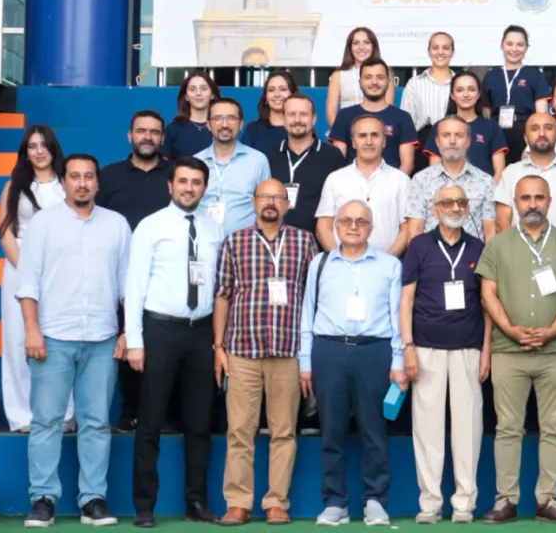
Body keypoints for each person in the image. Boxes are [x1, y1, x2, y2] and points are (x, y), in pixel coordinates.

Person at [17, 154, 131, 529]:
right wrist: (31, 330)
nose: (82, 183)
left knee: (96, 423)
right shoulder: (44, 223)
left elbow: (128, 286)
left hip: (102, 338)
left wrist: (127, 331)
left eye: (88, 177)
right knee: (46, 421)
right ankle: (43, 499)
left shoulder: (116, 225)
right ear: (64, 181)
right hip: (52, 336)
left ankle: (93, 500)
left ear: (97, 182)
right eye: (75, 176)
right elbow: (28, 281)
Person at [476, 176, 556, 524]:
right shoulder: (498, 244)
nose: (532, 204)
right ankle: (505, 500)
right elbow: (487, 294)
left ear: (550, 201)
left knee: (554, 427)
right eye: (525, 198)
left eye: (539, 197)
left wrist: (552, 331)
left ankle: (548, 500)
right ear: (515, 202)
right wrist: (510, 330)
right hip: (508, 350)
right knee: (508, 427)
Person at [125, 156, 224, 527]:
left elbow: (219, 288)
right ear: (170, 186)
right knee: (150, 421)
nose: (189, 188)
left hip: (201, 333)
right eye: (183, 181)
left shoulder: (214, 229)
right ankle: (144, 507)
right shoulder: (150, 226)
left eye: (196, 182)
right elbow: (134, 285)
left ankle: (196, 503)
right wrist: (135, 340)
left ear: (204, 188)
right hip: (160, 331)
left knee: (199, 423)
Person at [213, 179, 318, 525]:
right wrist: (218, 346)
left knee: (284, 432)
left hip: (288, 351)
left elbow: (312, 298)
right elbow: (222, 295)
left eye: (278, 197)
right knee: (239, 431)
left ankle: (276, 502)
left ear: (287, 204)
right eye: (264, 197)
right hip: (242, 350)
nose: (271, 202)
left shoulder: (305, 241)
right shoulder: (234, 241)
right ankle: (237, 502)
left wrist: (308, 352)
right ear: (254, 202)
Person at [300, 200, 407, 527]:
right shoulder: (319, 264)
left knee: (374, 431)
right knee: (331, 431)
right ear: (336, 226)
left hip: (374, 352)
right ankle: (335, 503)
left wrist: (398, 359)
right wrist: (305, 360)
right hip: (328, 351)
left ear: (371, 228)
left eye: (361, 221)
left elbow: (397, 317)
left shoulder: (390, 265)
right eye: (346, 220)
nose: (353, 226)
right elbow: (307, 313)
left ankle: (375, 500)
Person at [400, 184, 490, 524]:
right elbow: (406, 300)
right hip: (426, 348)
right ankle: (430, 503)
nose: (455, 207)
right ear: (434, 209)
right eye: (448, 202)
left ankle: (464, 503)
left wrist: (486, 350)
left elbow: (487, 304)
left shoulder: (478, 246)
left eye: (461, 202)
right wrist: (407, 347)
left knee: (468, 428)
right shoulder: (418, 245)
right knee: (427, 429)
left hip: (468, 347)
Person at [96, 110, 173, 433]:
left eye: (154, 132)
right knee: (126, 340)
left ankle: (164, 415)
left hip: (167, 273)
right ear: (130, 135)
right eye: (141, 131)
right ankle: (130, 412)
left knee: (162, 345)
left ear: (162, 138)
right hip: (120, 272)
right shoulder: (109, 176)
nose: (147, 137)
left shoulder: (174, 175)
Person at [0, 124, 73, 434]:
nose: (39, 151)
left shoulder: (67, 184)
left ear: (53, 149)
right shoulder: (13, 185)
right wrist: (27, 271)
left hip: (62, 272)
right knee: (18, 340)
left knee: (62, 342)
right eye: (32, 146)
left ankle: (64, 416)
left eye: (44, 145)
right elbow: (5, 233)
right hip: (19, 270)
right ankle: (22, 416)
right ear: (25, 153)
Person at [316, 114, 413, 256]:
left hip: (386, 265)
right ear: (353, 142)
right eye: (362, 136)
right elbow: (323, 226)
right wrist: (339, 260)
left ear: (384, 141)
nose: (369, 141)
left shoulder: (401, 180)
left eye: (375, 135)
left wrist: (386, 262)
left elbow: (407, 228)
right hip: (341, 265)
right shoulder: (335, 179)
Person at [265, 93, 346, 241]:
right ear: (283, 119)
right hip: (272, 241)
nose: (297, 120)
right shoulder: (268, 156)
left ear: (314, 119)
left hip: (318, 243)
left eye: (303, 114)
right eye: (291, 114)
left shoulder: (332, 156)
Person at [406, 116, 498, 242]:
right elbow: (415, 231)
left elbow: (490, 233)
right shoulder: (420, 180)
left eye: (459, 135)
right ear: (437, 142)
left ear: (468, 141)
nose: (452, 141)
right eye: (446, 135)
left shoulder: (485, 181)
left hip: (473, 253)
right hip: (430, 254)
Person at [194, 97, 272, 238]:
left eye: (231, 118)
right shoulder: (195, 162)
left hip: (245, 244)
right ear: (208, 124)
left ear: (241, 124)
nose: (225, 124)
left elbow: (266, 205)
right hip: (203, 243)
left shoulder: (258, 160)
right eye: (218, 118)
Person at [329, 58, 418, 174]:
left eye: (380, 77)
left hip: (392, 184)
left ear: (389, 82)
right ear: (360, 82)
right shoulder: (344, 115)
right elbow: (337, 162)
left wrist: (393, 184)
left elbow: (407, 164)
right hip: (352, 183)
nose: (374, 82)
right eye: (368, 77)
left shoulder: (403, 118)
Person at [482, 25, 552, 166]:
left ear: (526, 48)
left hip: (525, 134)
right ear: (502, 45)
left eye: (520, 45)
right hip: (497, 134)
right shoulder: (491, 75)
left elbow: (541, 116)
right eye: (509, 44)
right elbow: (485, 115)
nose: (514, 49)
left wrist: (530, 146)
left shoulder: (535, 75)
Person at [424, 70, 508, 179]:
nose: (466, 95)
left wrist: (489, 189)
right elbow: (434, 171)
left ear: (478, 94)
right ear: (452, 95)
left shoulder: (491, 127)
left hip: (485, 189)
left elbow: (499, 172)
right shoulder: (439, 126)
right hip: (447, 188)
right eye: (459, 90)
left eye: (471, 89)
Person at [324, 26, 392, 128]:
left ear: (373, 46)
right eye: (356, 43)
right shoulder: (338, 75)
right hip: (345, 131)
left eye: (366, 42)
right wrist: (341, 134)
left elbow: (388, 109)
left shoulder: (386, 74)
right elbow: (330, 113)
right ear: (350, 48)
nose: (361, 47)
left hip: (377, 132)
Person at [401, 31, 458, 136]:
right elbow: (406, 123)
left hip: (456, 140)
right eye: (435, 48)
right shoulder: (414, 84)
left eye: (445, 48)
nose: (440, 52)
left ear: (452, 52)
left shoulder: (461, 84)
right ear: (429, 51)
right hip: (423, 141)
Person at [161, 72, 219, 161]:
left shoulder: (221, 126)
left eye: (203, 89)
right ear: (186, 96)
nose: (198, 93)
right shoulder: (173, 129)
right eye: (192, 89)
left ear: (212, 95)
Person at [240, 71, 298, 152]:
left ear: (293, 94)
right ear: (265, 96)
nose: (277, 94)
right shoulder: (253, 129)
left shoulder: (300, 127)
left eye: (283, 89)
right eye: (271, 90)